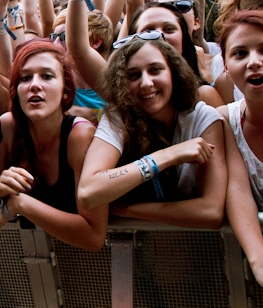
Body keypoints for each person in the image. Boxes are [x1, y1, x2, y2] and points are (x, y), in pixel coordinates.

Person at [78, 35, 227, 229]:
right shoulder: (119, 118)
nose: (146, 83)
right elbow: (88, 193)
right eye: (133, 75)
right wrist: (166, 157)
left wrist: (127, 209)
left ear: (174, 72)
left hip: (199, 247)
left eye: (155, 70)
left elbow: (211, 212)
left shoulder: (202, 118)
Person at [0, 40, 107, 251]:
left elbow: (94, 236)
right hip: (35, 266)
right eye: (25, 78)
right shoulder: (8, 127)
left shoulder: (81, 136)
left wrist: (21, 204)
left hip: (91, 268)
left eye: (47, 76)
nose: (34, 85)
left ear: (66, 90)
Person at [218, 10, 263, 302]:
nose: (254, 61)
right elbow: (237, 188)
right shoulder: (222, 121)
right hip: (257, 288)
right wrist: (262, 263)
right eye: (240, 53)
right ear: (226, 66)